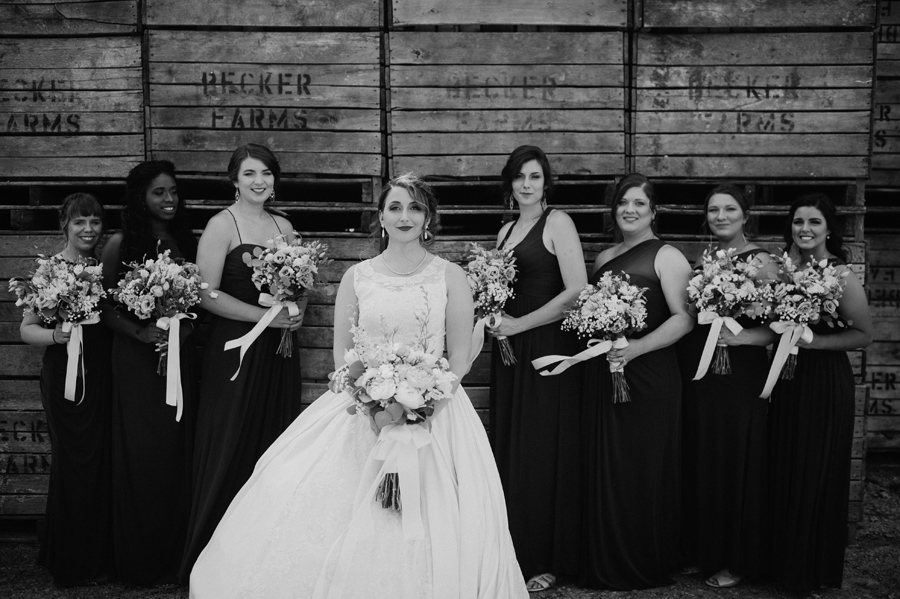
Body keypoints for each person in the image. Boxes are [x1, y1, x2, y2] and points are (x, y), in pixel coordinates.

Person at [189, 174, 529, 598]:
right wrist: (372, 403)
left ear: (428, 219)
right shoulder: (358, 276)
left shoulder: (449, 276)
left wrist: (421, 408)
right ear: (381, 217)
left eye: (415, 208)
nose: (405, 216)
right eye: (395, 207)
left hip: (436, 412)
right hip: (362, 409)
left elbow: (459, 357)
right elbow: (342, 355)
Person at [180, 144, 303, 579]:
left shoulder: (284, 226)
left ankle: (266, 555)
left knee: (272, 441)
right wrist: (264, 318)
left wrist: (295, 308)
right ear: (234, 179)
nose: (259, 182)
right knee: (230, 438)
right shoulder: (221, 225)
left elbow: (296, 286)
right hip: (234, 351)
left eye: (266, 173)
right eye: (250, 173)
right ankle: (214, 556)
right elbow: (202, 292)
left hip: (278, 354)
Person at [579, 173, 693, 590]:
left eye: (639, 204)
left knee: (644, 466)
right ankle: (607, 559)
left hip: (650, 374)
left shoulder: (667, 255)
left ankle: (645, 562)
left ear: (653, 211)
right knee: (611, 466)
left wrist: (637, 349)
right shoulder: (603, 258)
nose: (629, 210)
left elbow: (685, 318)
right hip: (607, 372)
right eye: (623, 203)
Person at [487, 145, 587, 592]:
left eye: (535, 177)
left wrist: (520, 324)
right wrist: (493, 317)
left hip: (546, 346)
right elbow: (496, 288)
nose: (527, 185)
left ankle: (544, 555)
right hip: (509, 350)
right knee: (514, 442)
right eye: (519, 177)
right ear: (509, 184)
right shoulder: (507, 229)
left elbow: (577, 289)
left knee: (541, 448)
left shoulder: (558, 222)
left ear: (546, 183)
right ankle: (512, 549)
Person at [768, 194, 873, 595]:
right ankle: (780, 564)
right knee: (785, 464)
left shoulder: (840, 275)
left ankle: (809, 571)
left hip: (824, 381)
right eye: (798, 222)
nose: (805, 229)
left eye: (814, 222)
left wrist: (810, 343)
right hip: (784, 379)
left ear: (829, 228)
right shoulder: (783, 272)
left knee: (815, 469)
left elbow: (863, 334)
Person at [100, 161, 199, 585]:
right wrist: (140, 331)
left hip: (179, 358)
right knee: (143, 456)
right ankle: (140, 560)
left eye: (174, 191)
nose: (170, 200)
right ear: (140, 196)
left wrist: (186, 326)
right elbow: (102, 307)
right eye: (160, 192)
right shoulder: (120, 243)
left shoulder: (184, 240)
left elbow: (199, 298)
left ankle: (174, 557)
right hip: (138, 362)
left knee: (177, 454)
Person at [678, 185, 777, 588]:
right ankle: (705, 553)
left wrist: (742, 340)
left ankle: (736, 560)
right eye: (714, 210)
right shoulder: (706, 263)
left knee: (736, 460)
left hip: (740, 376)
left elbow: (782, 324)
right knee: (706, 458)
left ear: (745, 214)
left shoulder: (763, 261)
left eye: (729, 209)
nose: (721, 216)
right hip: (705, 376)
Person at [21, 193, 113, 586]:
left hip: (101, 373)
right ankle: (69, 558)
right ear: (65, 225)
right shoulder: (50, 271)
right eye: (80, 222)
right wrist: (57, 336)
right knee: (71, 460)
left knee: (98, 461)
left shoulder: (103, 267)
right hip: (63, 376)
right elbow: (26, 329)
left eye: (94, 221)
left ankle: (98, 554)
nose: (88, 229)